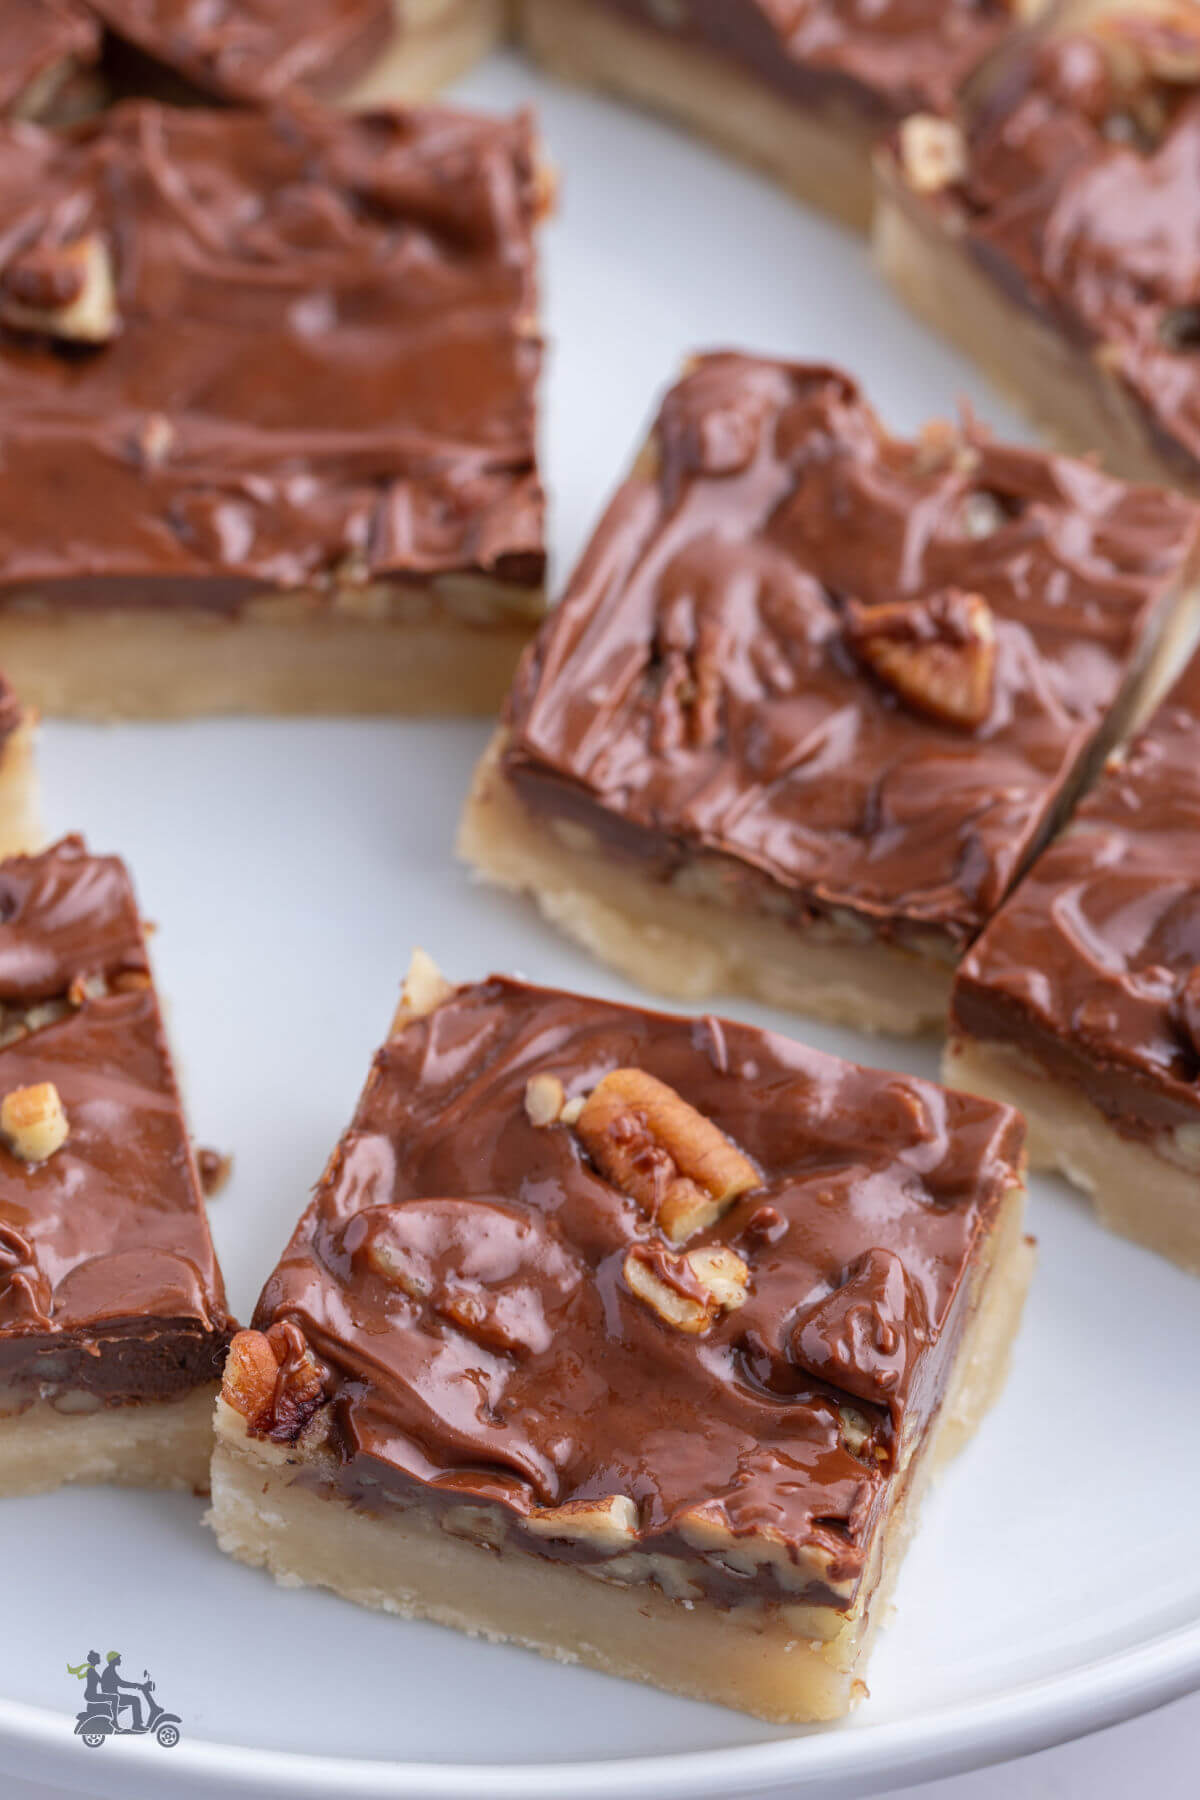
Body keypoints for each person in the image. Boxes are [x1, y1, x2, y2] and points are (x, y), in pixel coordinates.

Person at [99, 1651, 143, 1730]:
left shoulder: (110, 1670)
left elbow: (120, 1683)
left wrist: (135, 1685)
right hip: (113, 1697)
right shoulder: (109, 1671)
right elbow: (122, 1684)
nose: (120, 1660)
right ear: (113, 1660)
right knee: (135, 1700)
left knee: (135, 1699)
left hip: (114, 1695)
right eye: (118, 1658)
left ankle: (137, 1724)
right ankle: (137, 1725)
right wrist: (135, 1685)